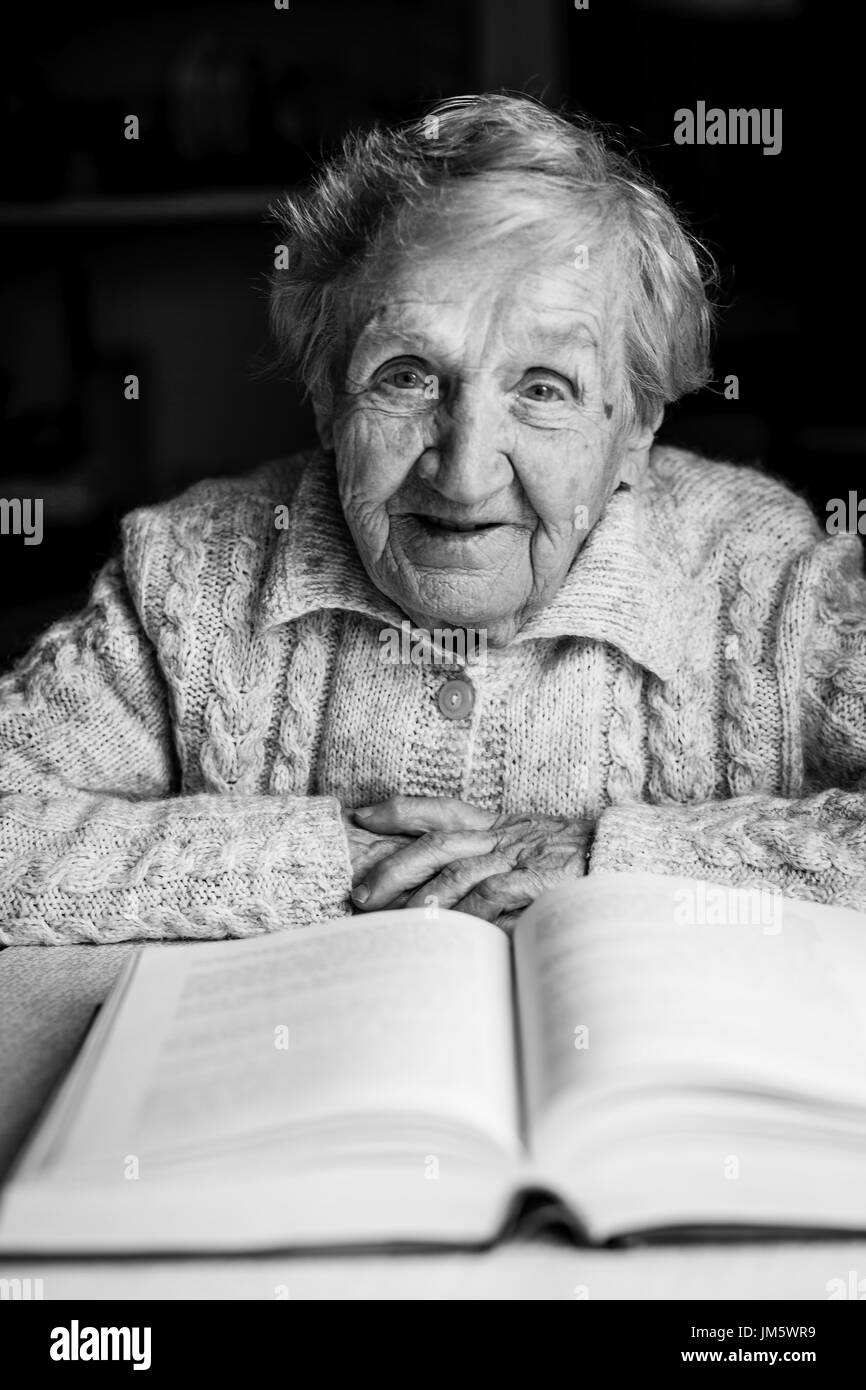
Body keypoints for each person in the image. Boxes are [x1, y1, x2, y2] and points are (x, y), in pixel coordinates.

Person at [1, 93, 864, 945]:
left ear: (635, 427)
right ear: (325, 397)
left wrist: (620, 858)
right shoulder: (192, 576)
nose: (462, 474)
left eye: (542, 389)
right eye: (406, 375)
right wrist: (320, 860)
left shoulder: (772, 582)